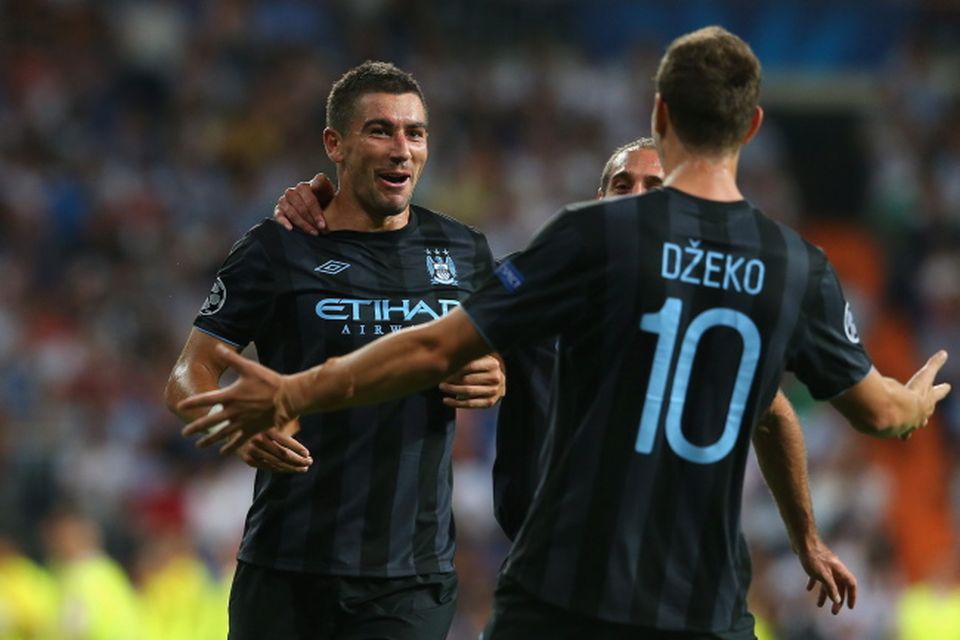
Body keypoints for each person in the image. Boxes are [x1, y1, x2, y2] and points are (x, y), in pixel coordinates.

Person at [180, 27, 952, 639]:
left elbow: (436, 344)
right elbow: (874, 413)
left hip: (559, 594)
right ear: (751, 124)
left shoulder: (586, 245)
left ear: (660, 114)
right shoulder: (796, 265)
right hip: (701, 607)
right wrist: (914, 405)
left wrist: (295, 387)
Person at [271, 137, 856, 619]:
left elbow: (774, 414)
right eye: (622, 186)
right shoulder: (532, 285)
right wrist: (335, 203)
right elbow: (416, 296)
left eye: (655, 190)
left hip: (675, 578)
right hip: (553, 573)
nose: (635, 199)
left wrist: (806, 537)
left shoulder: (707, 313)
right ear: (596, 203)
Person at [164, 61, 506, 640]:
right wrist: (237, 426)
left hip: (409, 577)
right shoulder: (277, 249)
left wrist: (495, 373)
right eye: (380, 130)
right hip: (285, 567)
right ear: (335, 144)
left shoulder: (463, 249)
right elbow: (186, 373)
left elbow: (501, 352)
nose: (402, 148)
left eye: (415, 133)